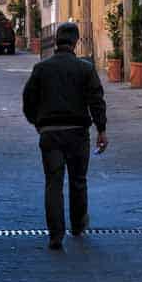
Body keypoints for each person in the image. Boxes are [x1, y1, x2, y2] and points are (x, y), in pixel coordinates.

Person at [23, 22, 108, 250]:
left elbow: (28, 100)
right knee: (78, 181)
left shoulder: (42, 69)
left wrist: (38, 124)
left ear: (57, 40)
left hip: (50, 133)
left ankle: (55, 234)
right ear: (76, 42)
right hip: (78, 133)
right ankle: (78, 224)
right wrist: (101, 129)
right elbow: (96, 100)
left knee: (53, 183)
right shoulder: (85, 69)